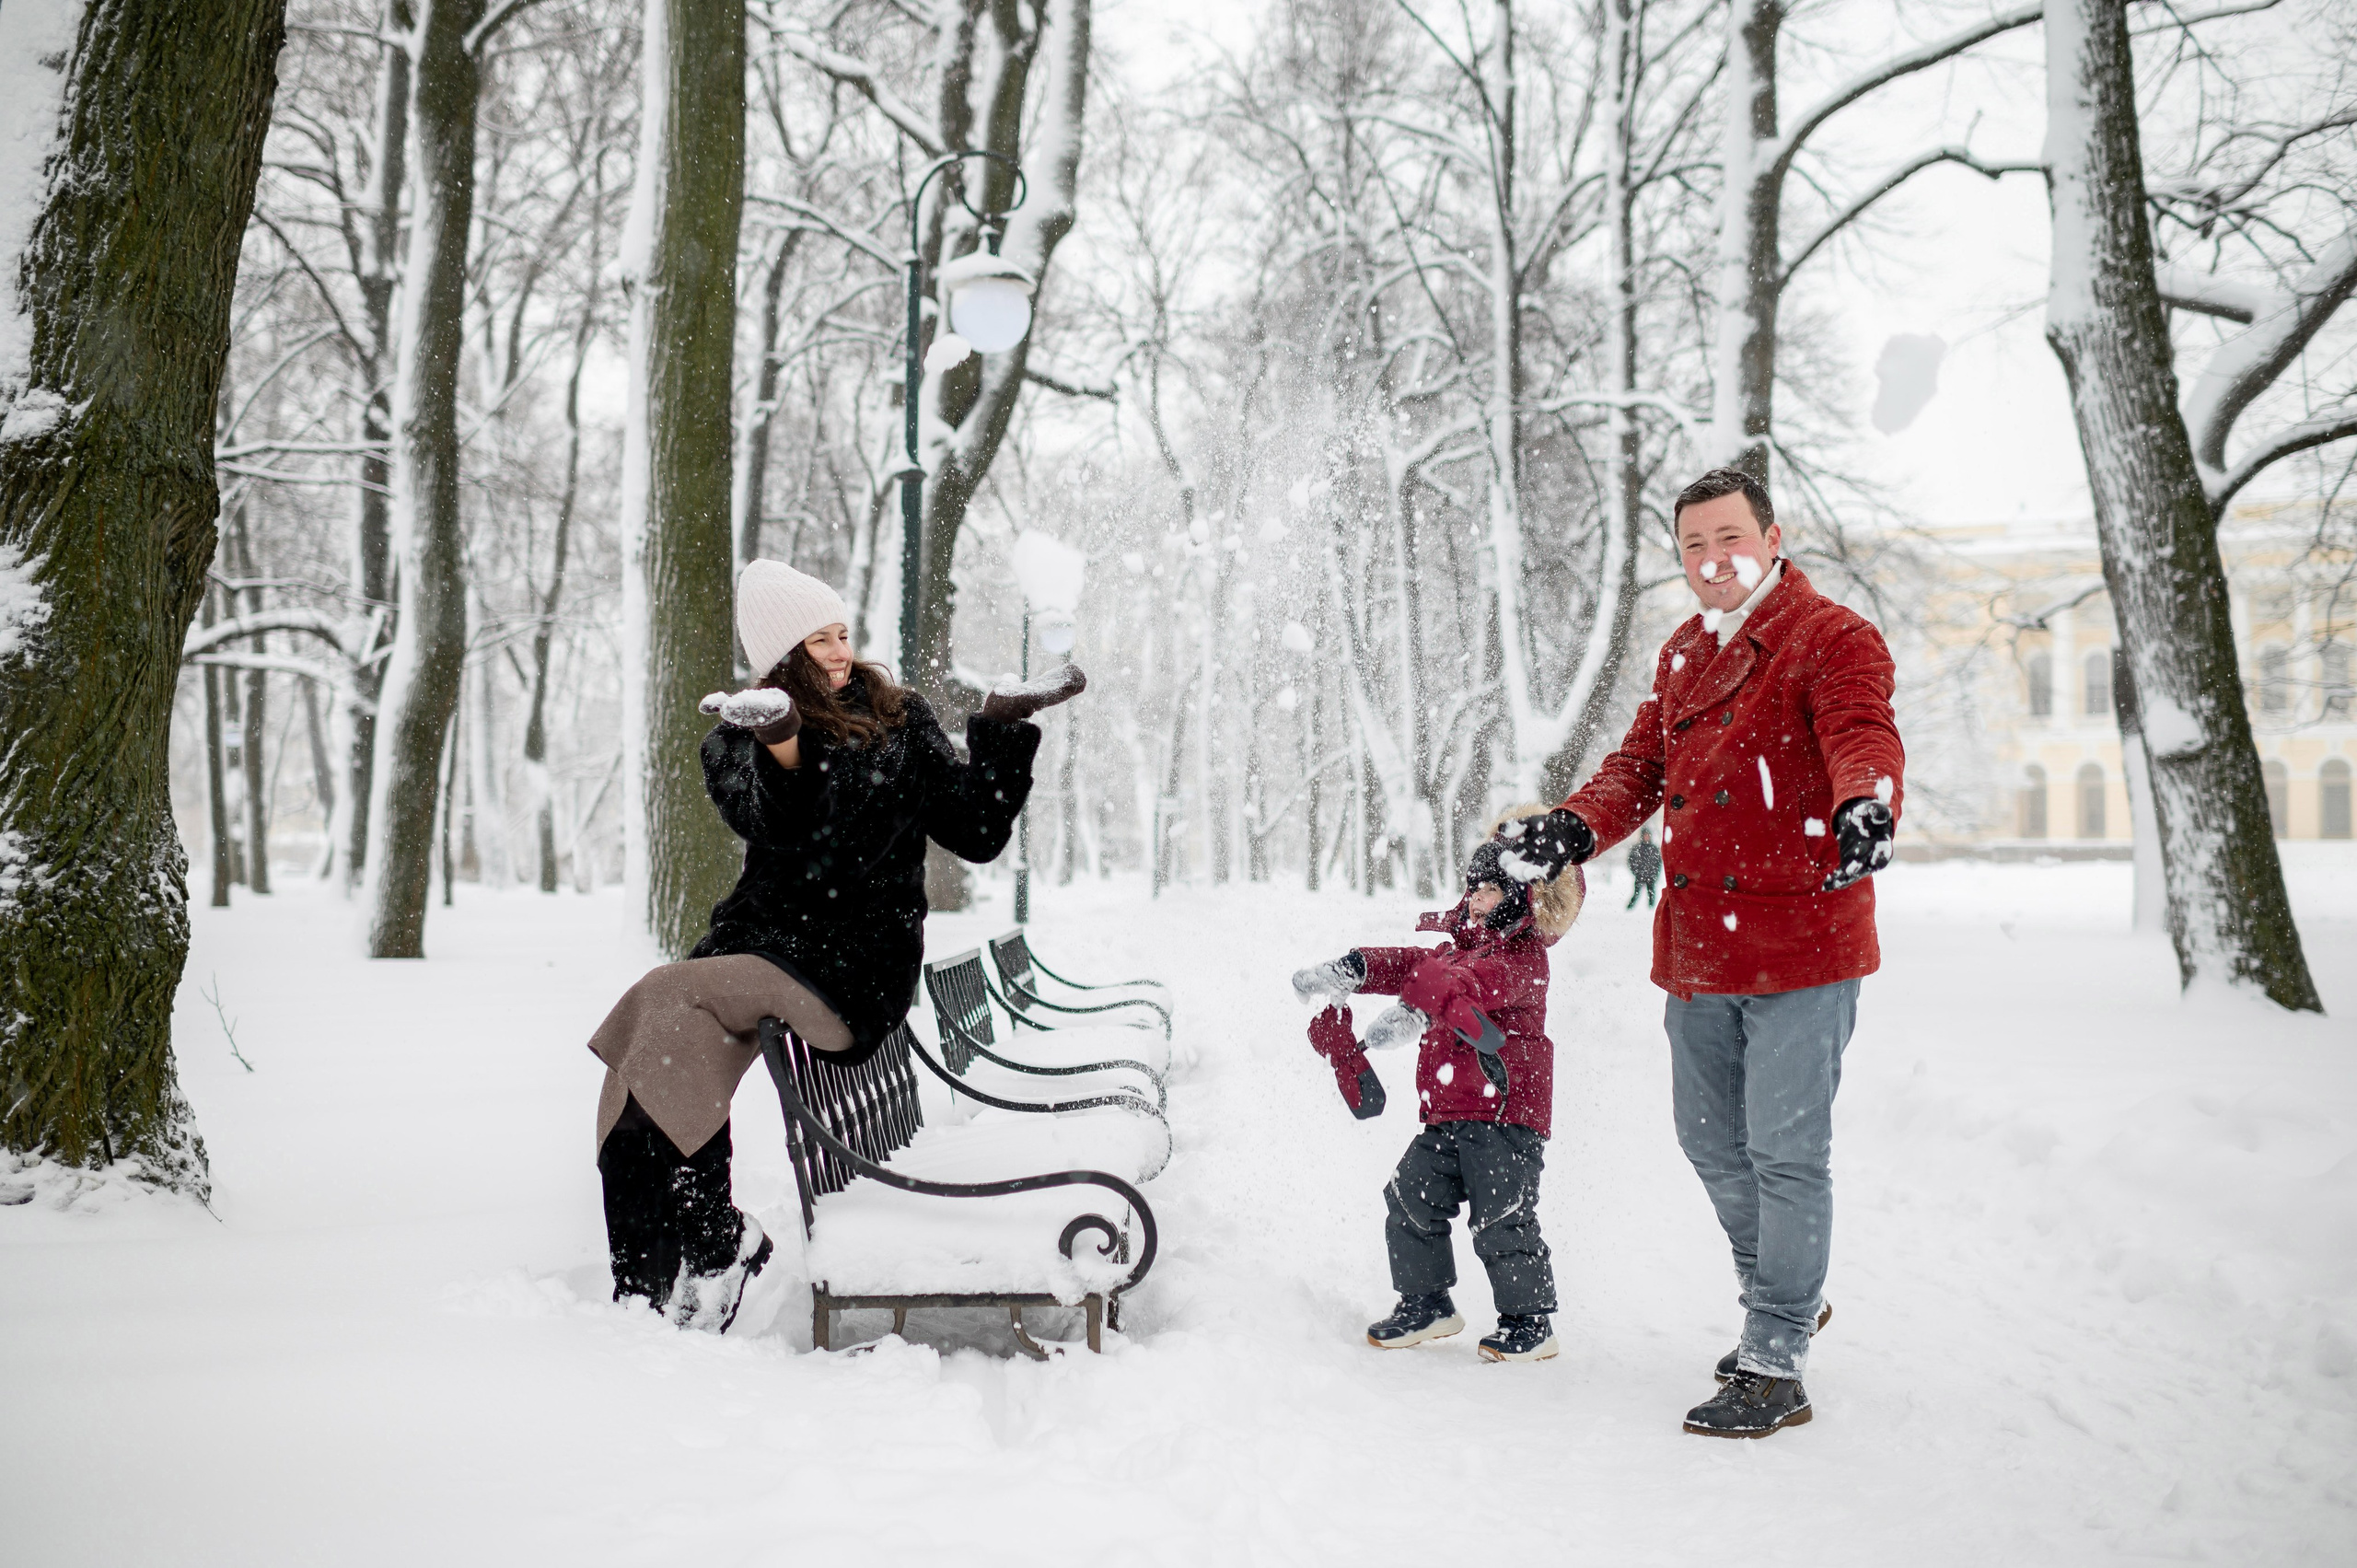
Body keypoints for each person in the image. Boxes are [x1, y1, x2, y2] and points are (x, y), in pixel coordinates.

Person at [1497, 467, 1903, 1437]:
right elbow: (1640, 765)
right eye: (1693, 544)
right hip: (1703, 945)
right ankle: (1785, 1293)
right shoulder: (1684, 650)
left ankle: (1774, 1354)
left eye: (1729, 537)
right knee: (1710, 1139)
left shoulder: (1831, 636)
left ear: (1772, 538)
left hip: (1801, 940)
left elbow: (1860, 729)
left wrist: (1865, 800)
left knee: (1786, 1152)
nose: (1712, 559)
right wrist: (1572, 828)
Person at [584, 559, 1086, 1330]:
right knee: (647, 1063)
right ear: (782, 654)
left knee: (658, 996)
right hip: (766, 954)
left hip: (856, 970)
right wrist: (780, 741)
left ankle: (705, 1254)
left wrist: (1000, 726)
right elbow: (786, 826)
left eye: (842, 632)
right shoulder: (732, 742)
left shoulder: (899, 718)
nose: (841, 651)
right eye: (819, 639)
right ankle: (665, 1278)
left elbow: (977, 830)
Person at [1289, 811, 1585, 1364]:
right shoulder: (1455, 950)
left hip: (1504, 1118)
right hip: (1448, 1114)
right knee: (1409, 1197)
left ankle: (1529, 1322)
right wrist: (1354, 968)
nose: (1476, 900)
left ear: (1521, 896)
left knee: (1501, 1219)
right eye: (1474, 888)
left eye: (1492, 890)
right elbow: (1411, 966)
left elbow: (1467, 985)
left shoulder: (1523, 960)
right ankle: (1426, 1304)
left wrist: (1418, 1011)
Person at [1625, 826, 1661, 910]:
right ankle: (1629, 908)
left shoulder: (1654, 849)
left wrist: (1655, 873)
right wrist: (1637, 872)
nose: (1647, 837)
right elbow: (1631, 861)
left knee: (1651, 894)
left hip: (1651, 876)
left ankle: (1651, 909)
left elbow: (1658, 863)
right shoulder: (1637, 849)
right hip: (1640, 876)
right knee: (1636, 893)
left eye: (1648, 835)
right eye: (1645, 835)